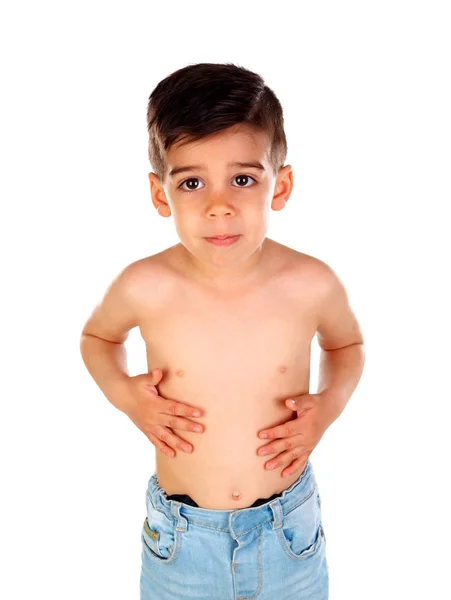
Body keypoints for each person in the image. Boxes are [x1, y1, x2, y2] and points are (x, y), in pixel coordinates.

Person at [80, 62, 365, 600]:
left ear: (279, 186)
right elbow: (97, 339)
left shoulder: (310, 282)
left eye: (242, 178)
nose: (219, 206)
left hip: (288, 533)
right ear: (161, 195)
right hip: (183, 540)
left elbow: (347, 344)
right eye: (191, 182)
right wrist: (125, 395)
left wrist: (329, 404)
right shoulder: (146, 284)